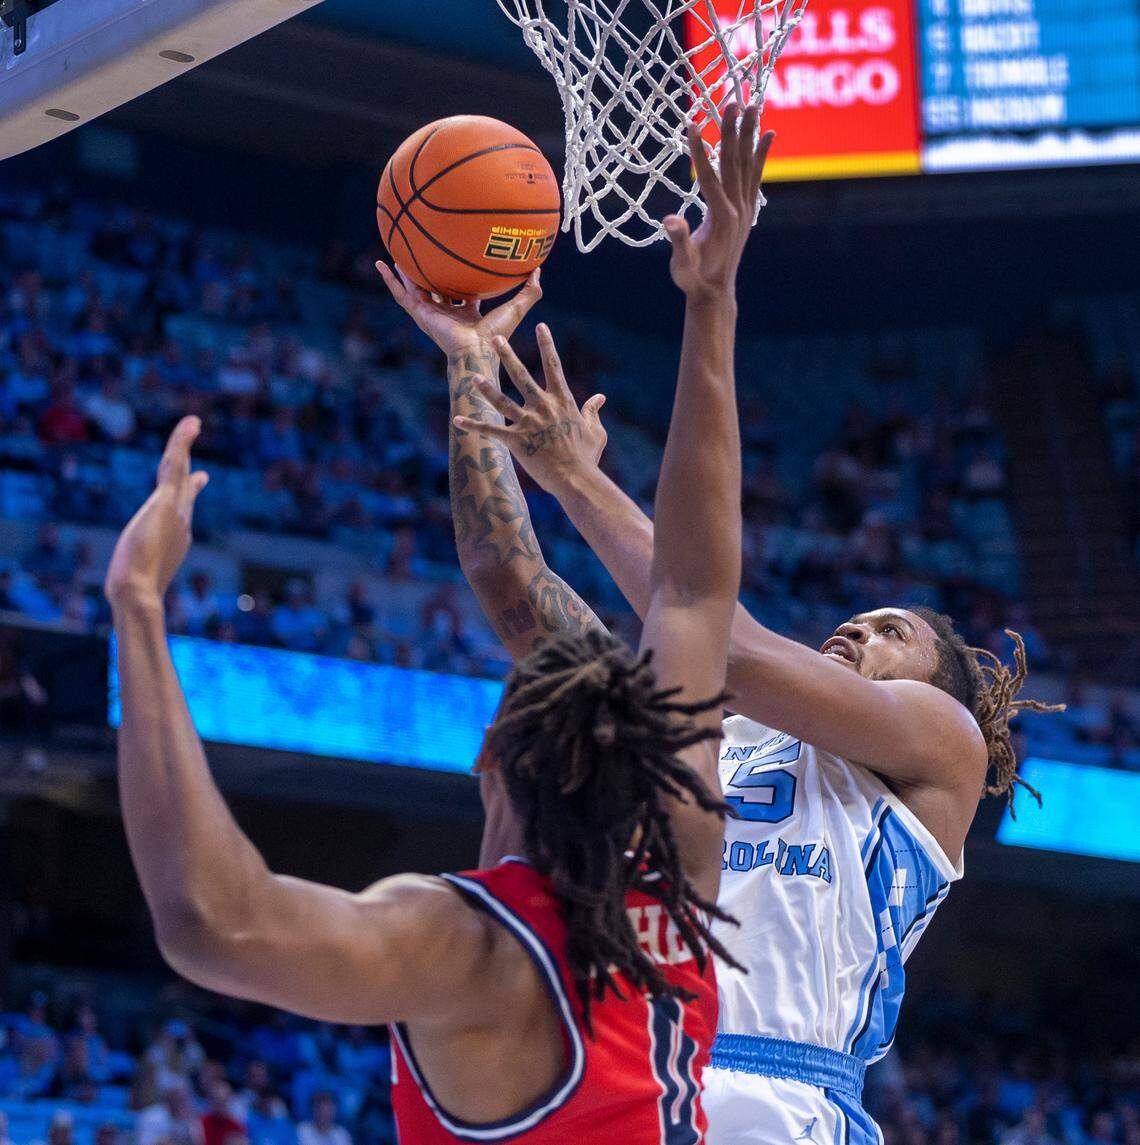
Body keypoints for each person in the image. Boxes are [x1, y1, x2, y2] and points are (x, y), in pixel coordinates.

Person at [105, 104, 765, 1144]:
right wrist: (693, 308)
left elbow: (215, 920)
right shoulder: (673, 873)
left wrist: (140, 608)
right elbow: (670, 589)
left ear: (493, 757)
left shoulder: (475, 946)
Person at [388, 142, 1067, 1145]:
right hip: (630, 1067)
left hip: (780, 1094)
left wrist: (578, 478)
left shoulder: (937, 745)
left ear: (945, 690)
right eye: (861, 616)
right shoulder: (698, 719)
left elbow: (722, 628)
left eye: (893, 633)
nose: (857, 628)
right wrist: (470, 368)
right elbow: (514, 589)